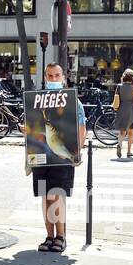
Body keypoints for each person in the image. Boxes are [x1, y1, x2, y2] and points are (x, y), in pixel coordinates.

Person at [30, 62, 87, 254]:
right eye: (49, 76)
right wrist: (27, 131)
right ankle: (49, 236)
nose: (53, 79)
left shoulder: (72, 100)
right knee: (46, 196)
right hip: (41, 155)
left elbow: (81, 127)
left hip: (62, 156)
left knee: (56, 195)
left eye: (56, 75)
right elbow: (33, 126)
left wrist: (77, 152)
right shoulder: (38, 99)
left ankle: (61, 236)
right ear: (45, 78)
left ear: (63, 77)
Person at [112, 69, 133, 159]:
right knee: (131, 131)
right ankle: (128, 151)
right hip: (131, 109)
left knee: (122, 131)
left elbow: (116, 98)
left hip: (121, 108)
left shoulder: (119, 86)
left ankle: (119, 144)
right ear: (132, 78)